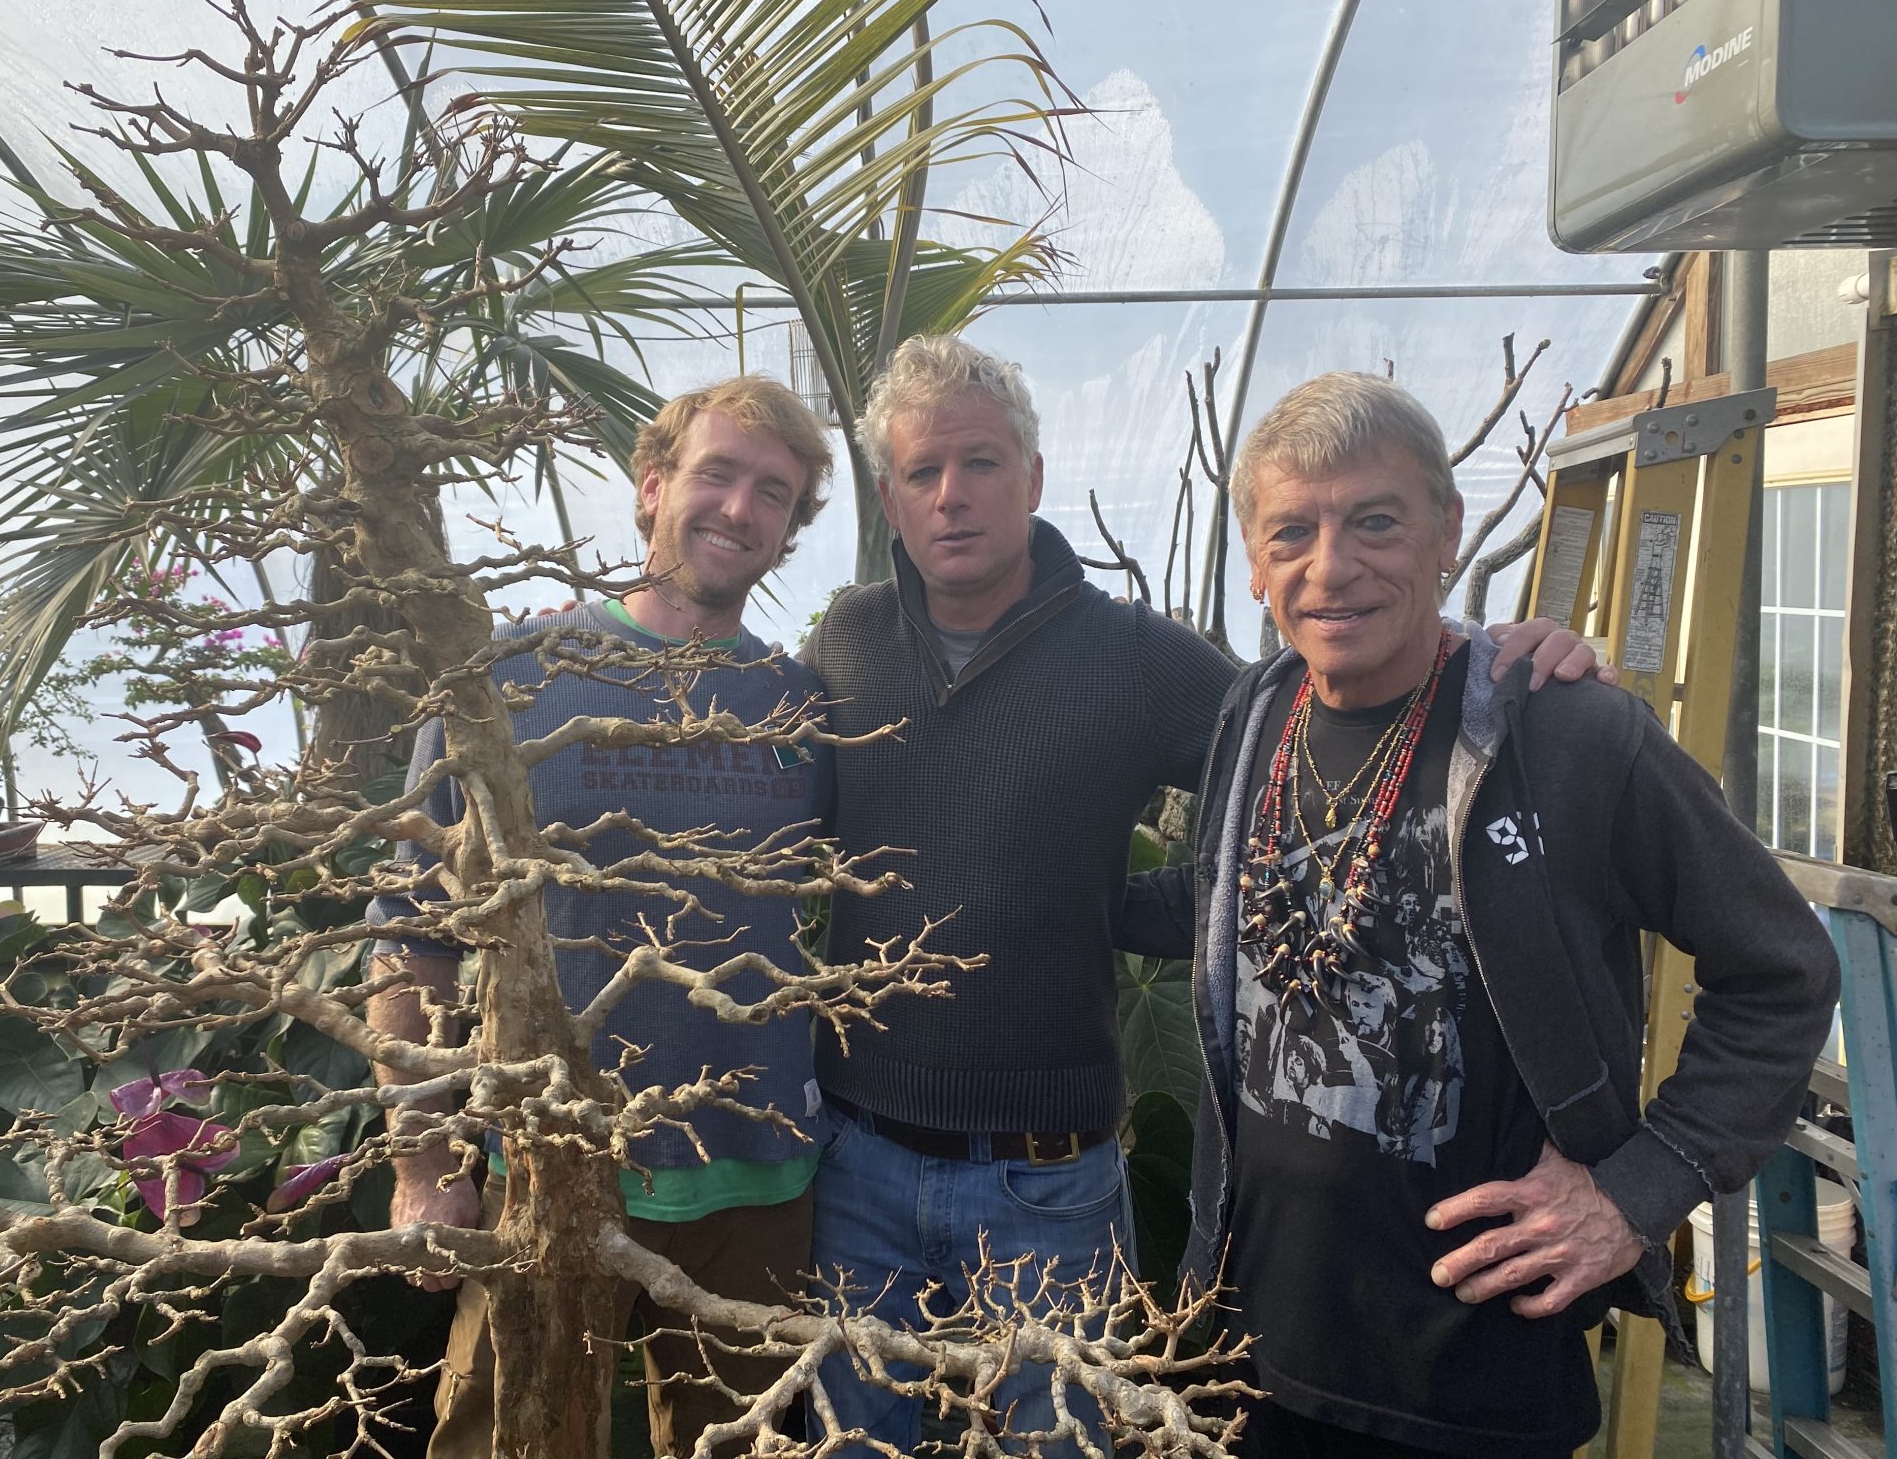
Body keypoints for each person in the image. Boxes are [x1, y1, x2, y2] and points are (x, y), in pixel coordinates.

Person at [800, 336, 1606, 1455]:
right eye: (921, 473)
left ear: (1031, 477)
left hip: (1043, 1179)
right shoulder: (843, 642)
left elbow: (1320, 739)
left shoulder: (1132, 655)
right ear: (888, 498)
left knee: (1059, 1442)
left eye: (979, 463)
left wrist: (1483, 658)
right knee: (853, 1441)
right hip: (856, 1162)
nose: (951, 498)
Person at [1124, 370, 1839, 1457]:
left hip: (1472, 1381)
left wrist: (1637, 1189)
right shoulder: (1254, 711)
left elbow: (1782, 968)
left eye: (1374, 521)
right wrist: (1032, 901)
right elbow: (1232, 904)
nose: (1331, 567)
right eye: (1291, 532)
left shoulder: (1567, 735)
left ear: (1445, 530)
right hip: (1251, 1362)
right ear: (1254, 559)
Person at [366, 375, 836, 1459]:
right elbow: (412, 933)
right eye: (716, 474)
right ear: (651, 486)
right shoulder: (508, 683)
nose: (738, 508)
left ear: (791, 527)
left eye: (773, 491)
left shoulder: (802, 710)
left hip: (759, 1178)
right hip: (547, 1162)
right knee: (509, 1441)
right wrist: (427, 1167)